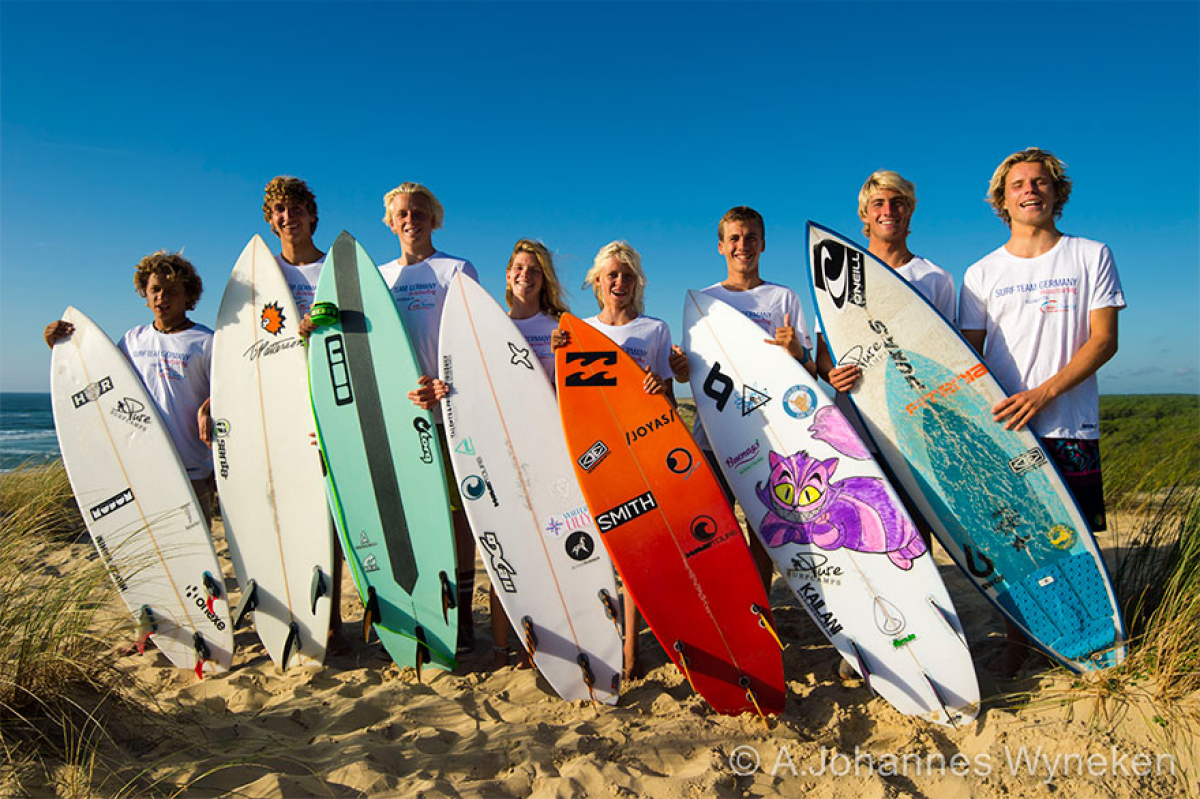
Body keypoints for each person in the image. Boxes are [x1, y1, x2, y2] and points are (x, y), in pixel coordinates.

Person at [959, 147, 1125, 676]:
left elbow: (1103, 342)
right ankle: (1021, 642)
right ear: (1002, 200)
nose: (1030, 190)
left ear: (1057, 192)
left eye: (1040, 182)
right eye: (1018, 185)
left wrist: (1044, 393)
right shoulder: (981, 272)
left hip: (1068, 421)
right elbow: (965, 356)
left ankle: (1086, 637)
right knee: (1014, 543)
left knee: (1072, 539)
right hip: (1005, 431)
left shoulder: (1090, 254)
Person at [668, 206, 815, 595]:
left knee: (763, 528)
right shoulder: (704, 302)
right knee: (717, 530)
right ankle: (728, 604)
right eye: (734, 238)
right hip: (714, 437)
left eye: (750, 237)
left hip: (771, 436)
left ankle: (762, 601)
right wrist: (681, 368)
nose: (742, 245)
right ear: (721, 246)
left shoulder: (783, 298)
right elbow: (691, 375)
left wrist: (798, 352)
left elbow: (810, 374)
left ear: (763, 243)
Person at [558, 240, 673, 678]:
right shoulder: (576, 332)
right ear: (597, 282)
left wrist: (660, 388)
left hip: (640, 450)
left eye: (626, 275)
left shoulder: (654, 330)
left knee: (635, 552)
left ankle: (630, 650)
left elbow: (664, 390)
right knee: (599, 554)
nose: (619, 282)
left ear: (635, 282)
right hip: (593, 456)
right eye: (611, 275)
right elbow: (572, 398)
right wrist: (560, 348)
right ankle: (605, 639)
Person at [378, 181, 481, 655]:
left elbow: (470, 337)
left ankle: (461, 616)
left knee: (458, 516)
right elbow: (374, 350)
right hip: (402, 416)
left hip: (451, 411)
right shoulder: (378, 277)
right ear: (390, 221)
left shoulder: (456, 269)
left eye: (419, 211)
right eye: (401, 213)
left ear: (433, 218)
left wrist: (446, 380)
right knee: (415, 515)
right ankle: (423, 609)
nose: (410, 219)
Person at [44, 251, 216, 522]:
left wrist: (208, 407)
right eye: (155, 290)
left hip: (191, 465)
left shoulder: (205, 341)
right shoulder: (132, 340)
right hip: (142, 464)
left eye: (172, 291)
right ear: (145, 295)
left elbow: (226, 390)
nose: (162, 297)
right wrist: (59, 346)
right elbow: (100, 379)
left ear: (188, 296)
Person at [254, 175, 351, 657]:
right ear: (271, 222)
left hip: (335, 399)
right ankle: (306, 616)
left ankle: (333, 618)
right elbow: (246, 349)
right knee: (293, 509)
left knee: (333, 512)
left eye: (295, 209)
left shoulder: (337, 268)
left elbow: (362, 329)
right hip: (283, 406)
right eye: (278, 212)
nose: (287, 218)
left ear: (312, 214)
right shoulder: (263, 278)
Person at [486, 239, 571, 668]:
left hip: (549, 451)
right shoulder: (488, 328)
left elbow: (573, 395)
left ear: (545, 279)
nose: (525, 275)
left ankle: (541, 644)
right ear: (507, 274)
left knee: (547, 552)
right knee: (506, 549)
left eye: (534, 270)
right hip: (501, 451)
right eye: (518, 268)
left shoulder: (560, 328)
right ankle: (503, 646)